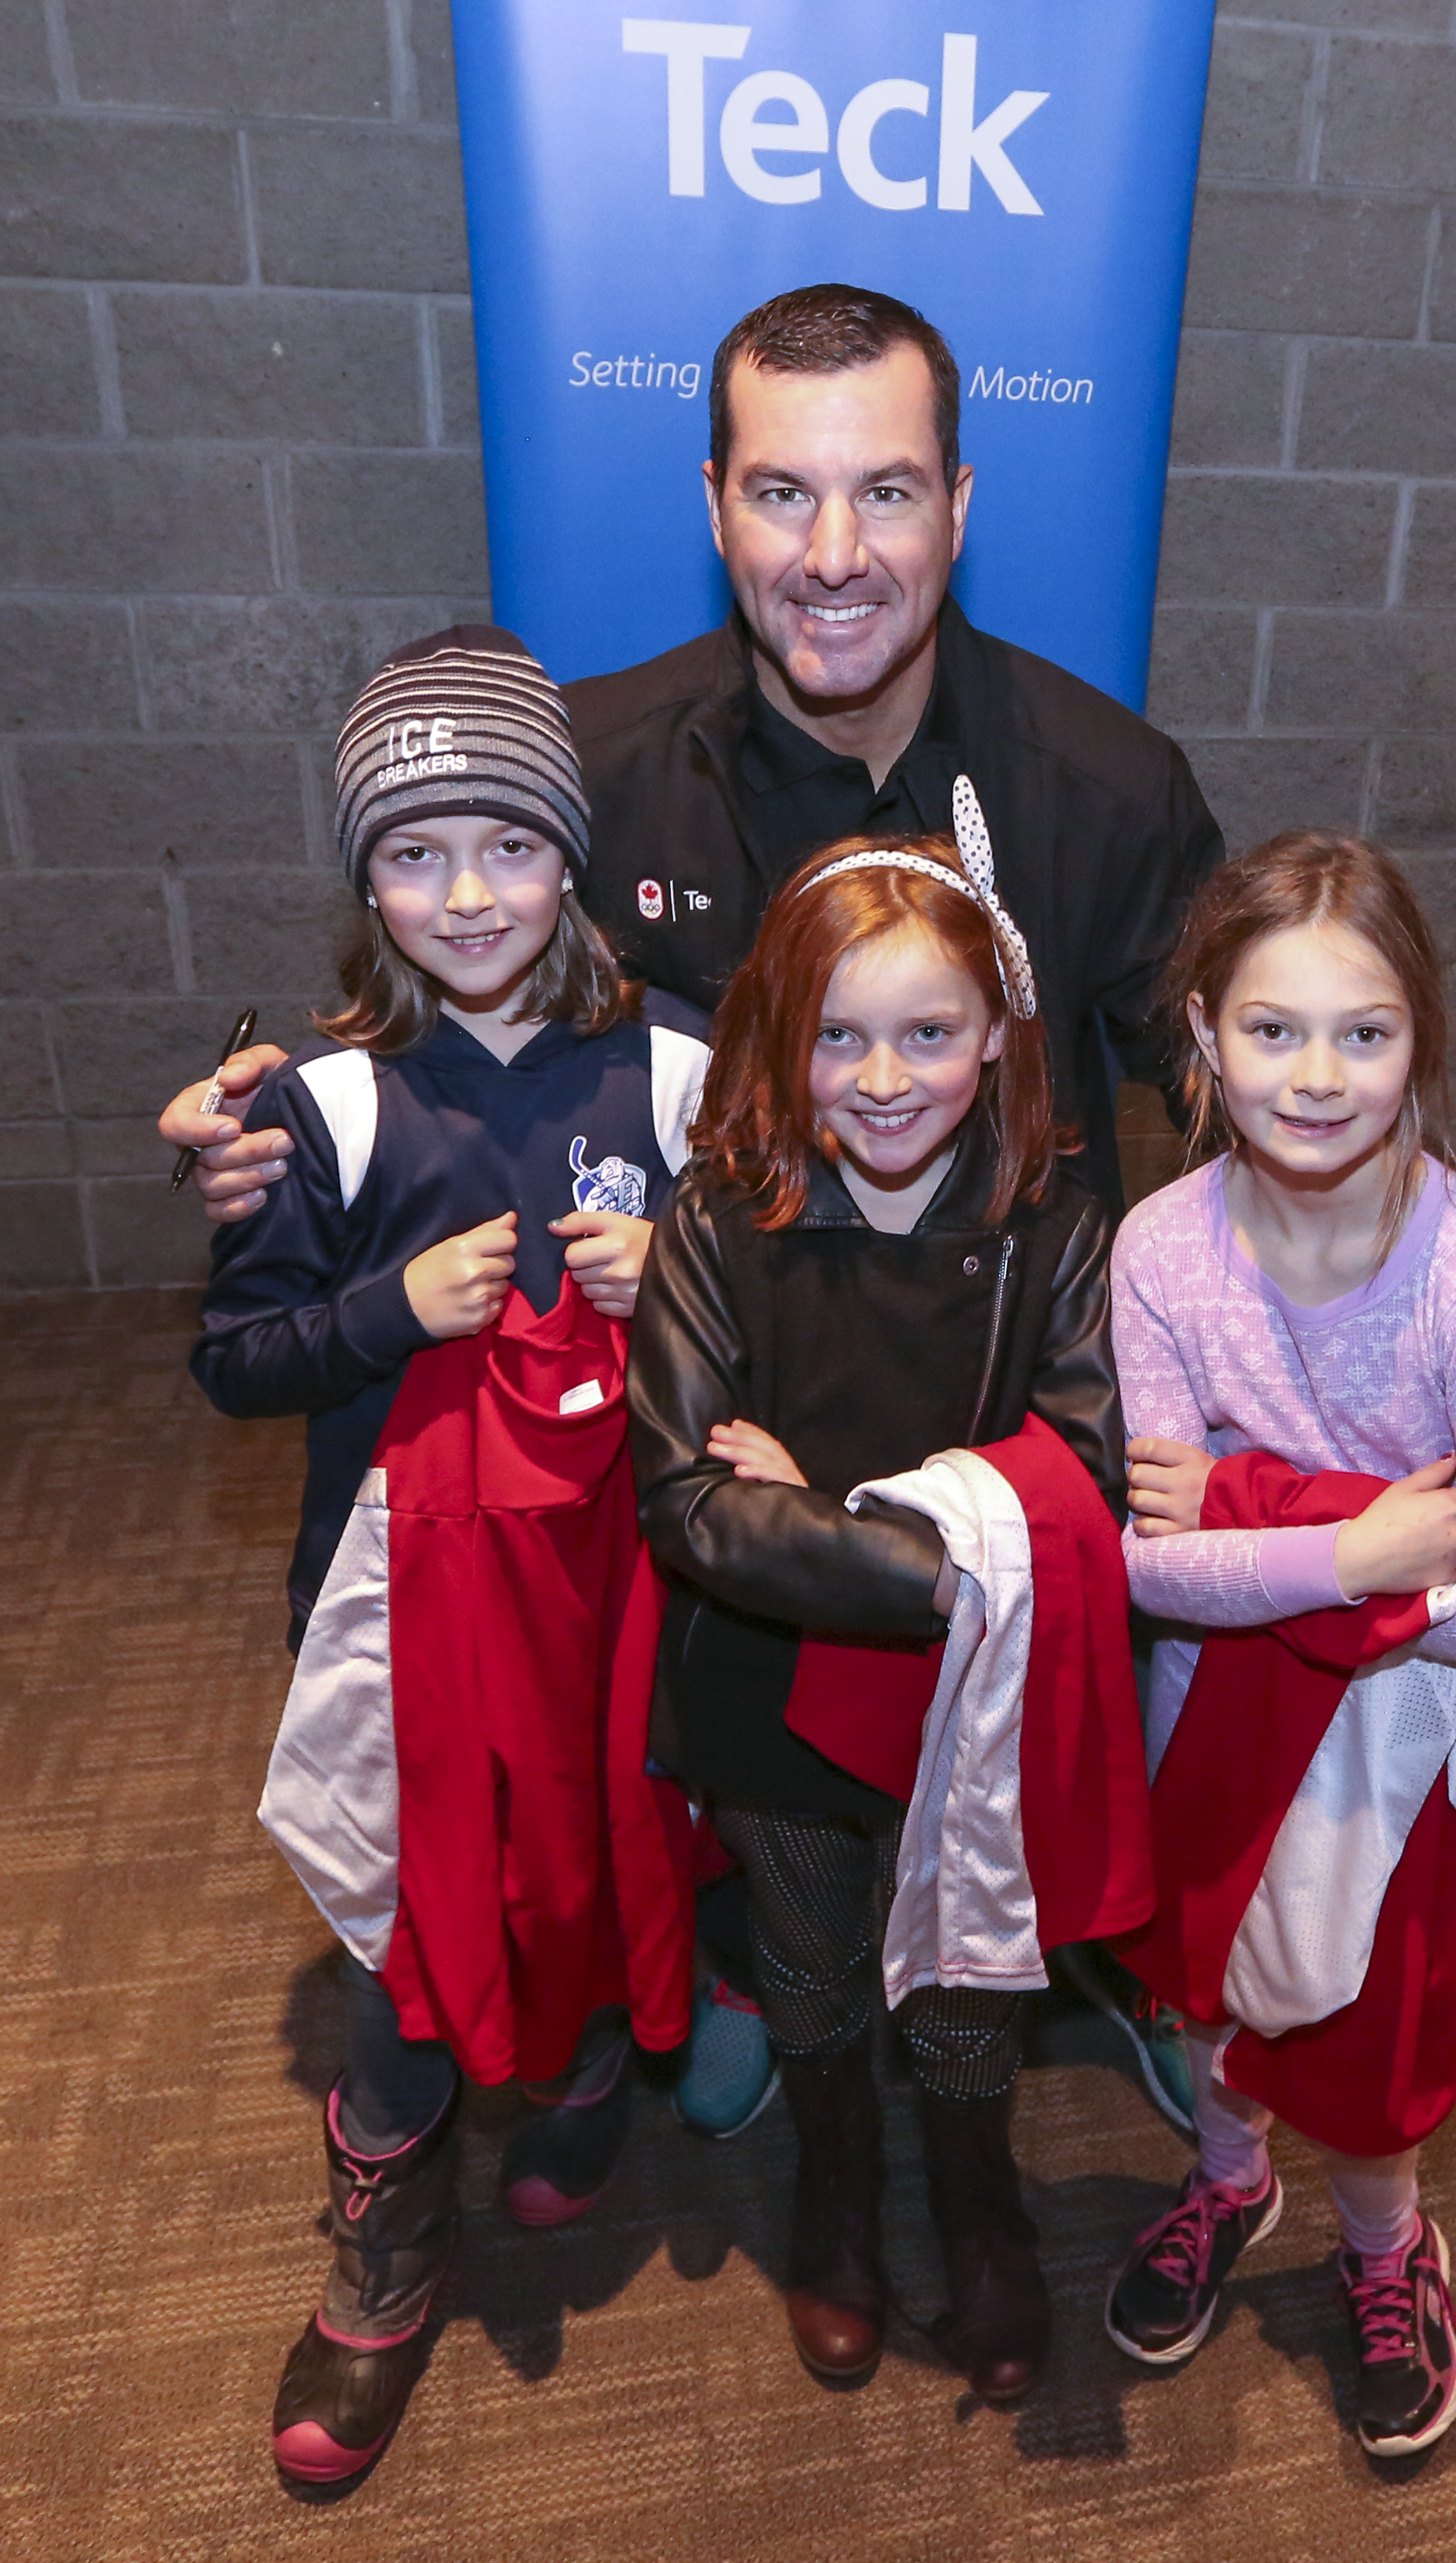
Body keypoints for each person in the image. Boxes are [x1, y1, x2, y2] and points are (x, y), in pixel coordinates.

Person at [159, 279, 1223, 2135]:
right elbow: (442, 1007)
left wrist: (1390, 1259)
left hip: (990, 1422)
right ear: (714, 499)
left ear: (962, 504)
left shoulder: (1109, 782)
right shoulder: (601, 762)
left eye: (886, 494)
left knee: (1025, 1825)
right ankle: (738, 1950)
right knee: (741, 1804)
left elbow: (1241, 1085)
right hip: (705, 1445)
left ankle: (1061, 1953)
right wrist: (269, 1130)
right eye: (782, 494)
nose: (834, 554)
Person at [189, 625, 706, 2485]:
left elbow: (777, 1327)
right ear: (364, 878)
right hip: (392, 1597)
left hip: (611, 1587)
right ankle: (388, 2249)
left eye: (509, 842)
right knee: (407, 1918)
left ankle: (575, 2072)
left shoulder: (669, 1067)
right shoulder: (317, 1104)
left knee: (586, 1840)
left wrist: (689, 1305)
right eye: (414, 853)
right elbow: (233, 1362)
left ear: (572, 854)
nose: (467, 892)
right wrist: (387, 1311)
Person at [624, 808, 1150, 2403]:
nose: (884, 1073)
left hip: (966, 1708)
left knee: (970, 1963)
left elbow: (1082, 1490)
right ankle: (838, 2181)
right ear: (783, 1036)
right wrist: (949, 1537)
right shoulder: (718, 1220)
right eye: (839, 1034)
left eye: (930, 1029)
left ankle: (978, 2191)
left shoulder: (1055, 1226)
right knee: (810, 1950)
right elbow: (691, 1501)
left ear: (996, 1030)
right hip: (772, 1699)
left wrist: (831, 1513)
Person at [1102, 832, 1456, 2459]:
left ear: (1420, 1044)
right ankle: (1228, 2179)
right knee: (1212, 1991)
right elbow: (1154, 1569)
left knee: (1368, 2043)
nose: (1316, 1074)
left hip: (1399, 1744)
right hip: (1207, 1712)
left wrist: (1239, 1512)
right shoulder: (1161, 1249)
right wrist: (1360, 1542)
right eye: (1273, 1028)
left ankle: (1386, 2245)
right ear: (1204, 1038)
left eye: (1364, 1032)